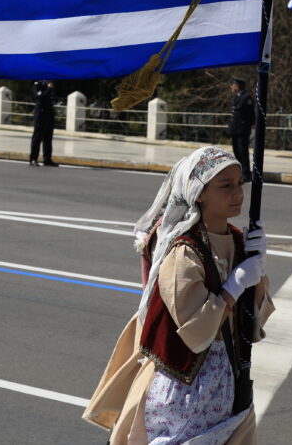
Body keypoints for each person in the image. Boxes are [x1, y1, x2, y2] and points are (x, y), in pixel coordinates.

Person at [83, 145, 273, 443]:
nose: (237, 193)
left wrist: (257, 270)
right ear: (199, 193)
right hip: (185, 385)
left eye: (239, 184)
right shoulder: (184, 251)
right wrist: (233, 287)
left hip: (227, 377)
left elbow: (251, 320)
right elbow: (194, 332)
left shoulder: (238, 241)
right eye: (225, 186)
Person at [228, 77, 254, 176]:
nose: (231, 86)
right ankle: (240, 171)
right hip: (235, 129)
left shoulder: (246, 98)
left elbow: (250, 115)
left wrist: (250, 126)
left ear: (237, 86)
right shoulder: (237, 97)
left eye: (233, 85)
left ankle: (246, 173)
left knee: (243, 151)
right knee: (236, 151)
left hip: (242, 130)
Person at [29, 80, 58, 167]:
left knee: (48, 137)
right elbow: (40, 97)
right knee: (37, 137)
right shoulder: (37, 84)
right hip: (41, 113)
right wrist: (49, 89)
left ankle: (47, 159)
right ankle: (33, 158)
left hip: (49, 113)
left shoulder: (49, 83)